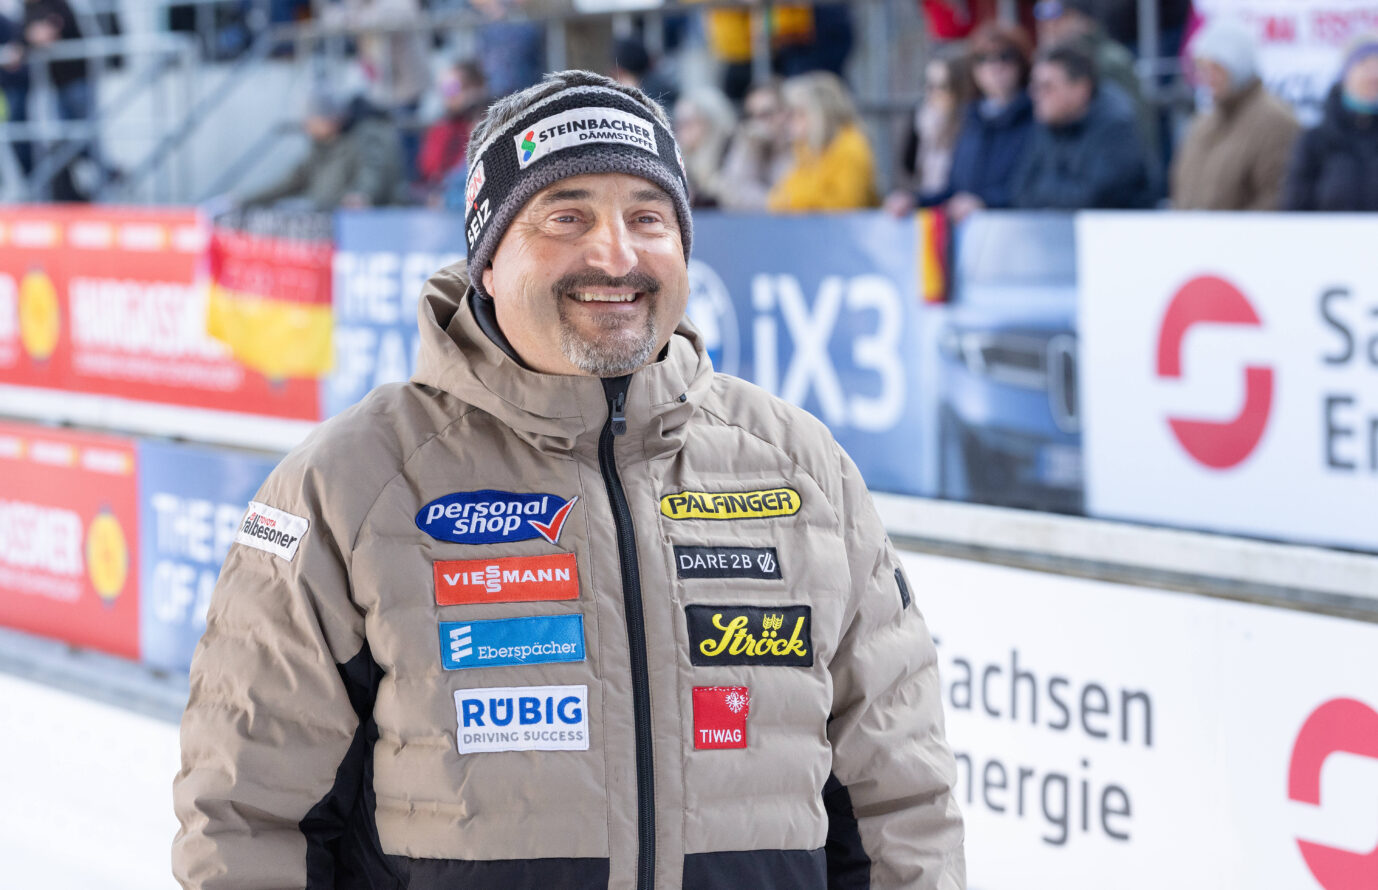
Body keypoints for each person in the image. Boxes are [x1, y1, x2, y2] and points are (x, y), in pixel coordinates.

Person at [173, 68, 965, 889]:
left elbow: (900, 802)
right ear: (486, 260)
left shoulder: (806, 471)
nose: (615, 253)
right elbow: (247, 821)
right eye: (567, 215)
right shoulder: (348, 484)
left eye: (647, 217)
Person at [1171, 19, 1299, 210]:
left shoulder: (1277, 122)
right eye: (1203, 68)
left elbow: (1275, 199)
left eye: (1217, 68)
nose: (1208, 77)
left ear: (1238, 66)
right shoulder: (1203, 123)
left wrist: (1234, 236)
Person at [1013, 42, 1154, 209]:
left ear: (1081, 88)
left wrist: (1043, 190)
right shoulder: (1050, 122)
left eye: (1047, 87)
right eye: (1034, 85)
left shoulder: (1116, 126)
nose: (1035, 94)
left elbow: (1095, 199)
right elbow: (1019, 191)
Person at [1032, 0, 1159, 176]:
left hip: (1108, 169)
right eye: (1042, 17)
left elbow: (1136, 123)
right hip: (1069, 170)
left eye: (1059, 17)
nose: (1049, 26)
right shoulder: (1046, 61)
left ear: (1084, 21)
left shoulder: (1110, 61)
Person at [239, 91, 404, 210]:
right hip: (322, 225)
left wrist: (361, 196)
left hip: (352, 228)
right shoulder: (318, 150)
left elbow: (373, 173)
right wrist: (244, 200)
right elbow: (289, 182)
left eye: (313, 118)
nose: (307, 125)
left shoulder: (363, 140)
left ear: (332, 119)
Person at [1282, 31, 1378, 212]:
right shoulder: (1316, 141)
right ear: (1346, 74)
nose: (1373, 75)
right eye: (1364, 64)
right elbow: (1294, 209)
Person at [768, 71, 879, 211]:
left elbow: (847, 203)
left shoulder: (850, 145)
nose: (790, 122)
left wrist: (795, 201)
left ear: (820, 112)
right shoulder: (806, 148)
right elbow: (782, 193)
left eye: (798, 113)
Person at [884, 55, 974, 214]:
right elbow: (909, 165)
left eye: (941, 86)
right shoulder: (922, 118)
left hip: (958, 212)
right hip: (930, 206)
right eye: (928, 84)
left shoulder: (970, 125)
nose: (931, 92)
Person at [417, 59, 488, 205]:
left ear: (475, 88)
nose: (448, 95)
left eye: (452, 88)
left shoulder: (484, 125)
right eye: (444, 88)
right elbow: (429, 169)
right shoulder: (440, 128)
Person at [717, 78, 794, 211]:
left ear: (784, 113)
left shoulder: (797, 146)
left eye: (766, 114)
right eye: (752, 116)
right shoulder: (749, 142)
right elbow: (732, 196)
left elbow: (789, 199)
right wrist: (749, 149)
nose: (757, 124)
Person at [672, 86, 737, 207]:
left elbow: (733, 196)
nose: (680, 130)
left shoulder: (732, 149)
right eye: (678, 123)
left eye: (687, 122)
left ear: (711, 122)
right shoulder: (682, 158)